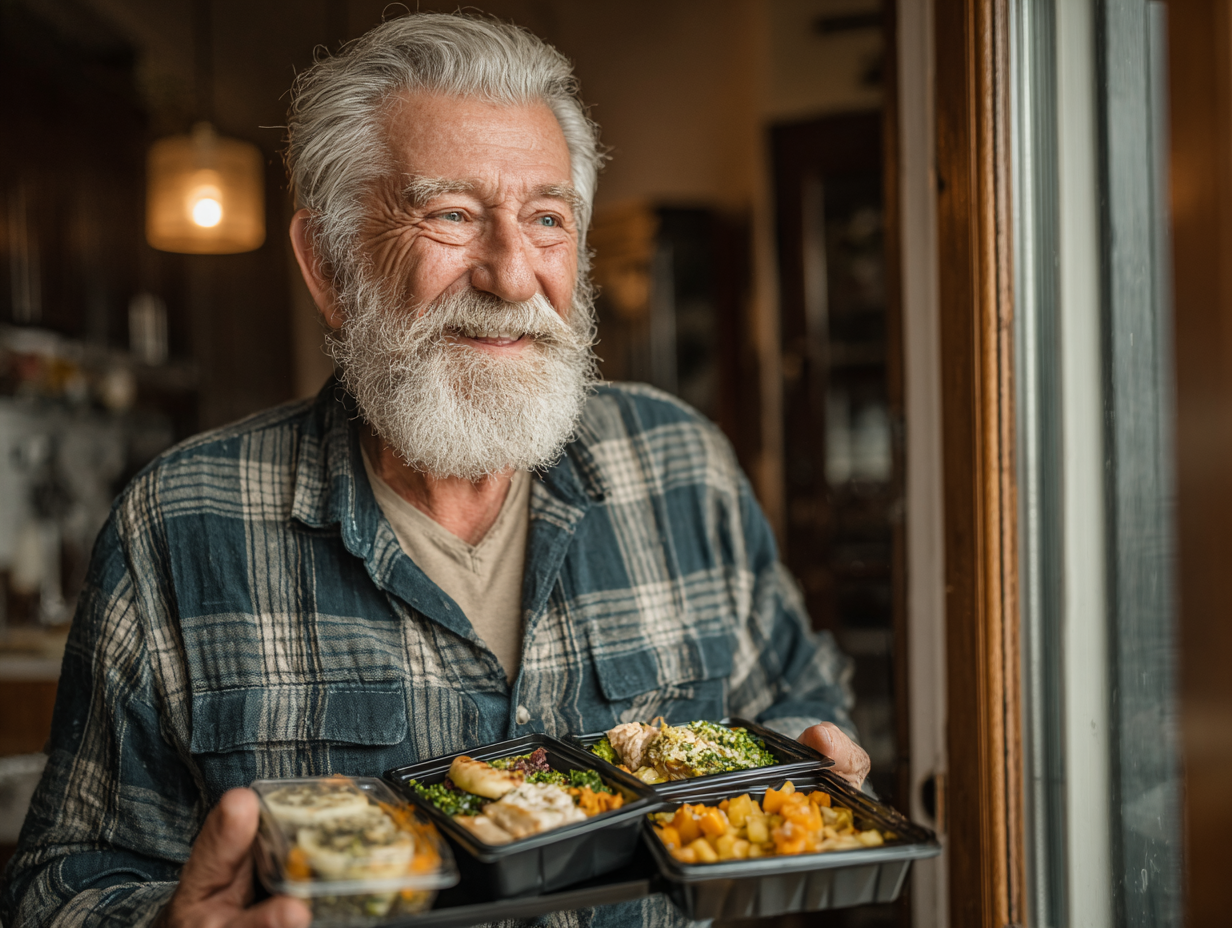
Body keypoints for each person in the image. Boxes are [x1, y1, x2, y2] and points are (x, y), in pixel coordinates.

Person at [1, 13, 869, 928]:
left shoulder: (683, 465)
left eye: (545, 219)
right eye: (451, 215)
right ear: (330, 264)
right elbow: (62, 883)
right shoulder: (178, 525)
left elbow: (799, 697)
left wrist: (814, 748)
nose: (509, 273)